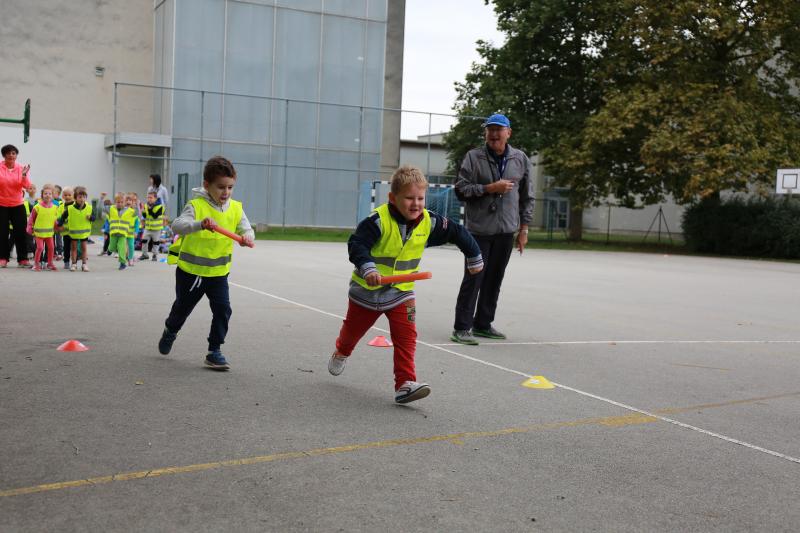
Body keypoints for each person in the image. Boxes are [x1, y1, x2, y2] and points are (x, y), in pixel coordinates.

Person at [327, 165, 483, 404]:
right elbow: (357, 245)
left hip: (401, 293)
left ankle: (405, 384)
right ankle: (342, 351)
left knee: (406, 338)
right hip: (366, 293)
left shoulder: (429, 222)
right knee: (351, 335)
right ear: (393, 198)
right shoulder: (377, 221)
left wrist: (474, 256)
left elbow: (458, 232)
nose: (416, 204)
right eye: (409, 198)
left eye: (420, 198)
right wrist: (368, 268)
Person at [158, 156, 254, 371]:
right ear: (206, 185)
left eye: (230, 187)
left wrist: (248, 237)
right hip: (192, 273)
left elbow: (247, 228)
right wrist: (199, 224)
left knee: (223, 310)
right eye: (221, 187)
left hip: (218, 273)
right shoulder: (196, 205)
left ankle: (214, 350)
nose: (226, 192)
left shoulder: (235, 208)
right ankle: (170, 330)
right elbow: (177, 226)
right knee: (182, 309)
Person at [450, 113, 535, 345]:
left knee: (495, 279)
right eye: (491, 130)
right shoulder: (473, 157)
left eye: (499, 130)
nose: (494, 134)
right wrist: (489, 188)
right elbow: (461, 190)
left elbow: (527, 197)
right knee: (474, 278)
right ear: (486, 133)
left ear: (509, 133)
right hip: (478, 231)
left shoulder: (520, 158)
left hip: (506, 231)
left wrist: (524, 230)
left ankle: (483, 324)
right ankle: (462, 327)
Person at [0, 144, 32, 268]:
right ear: (4, 155)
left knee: (21, 232)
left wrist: (23, 175)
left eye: (13, 153)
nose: (11, 155)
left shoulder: (21, 168)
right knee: (2, 232)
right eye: (8, 153)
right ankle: (3, 258)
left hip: (17, 204)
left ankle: (22, 259)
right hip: (1, 204)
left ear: (16, 155)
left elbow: (27, 186)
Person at [57, 186, 94, 271]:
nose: (82, 199)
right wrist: (59, 225)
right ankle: (74, 264)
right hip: (73, 233)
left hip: (84, 233)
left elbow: (94, 217)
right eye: (80, 197)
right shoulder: (70, 208)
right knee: (73, 249)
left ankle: (84, 264)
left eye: (84, 197)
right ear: (75, 198)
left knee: (84, 249)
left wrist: (91, 217)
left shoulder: (89, 208)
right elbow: (63, 217)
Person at [26, 183, 58, 271]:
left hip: (49, 233)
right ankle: (36, 264)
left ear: (52, 196)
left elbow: (54, 219)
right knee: (40, 248)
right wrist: (29, 228)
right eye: (45, 193)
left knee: (51, 248)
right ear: (42, 195)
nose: (47, 195)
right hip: (39, 233)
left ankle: (50, 264)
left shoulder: (55, 207)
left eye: (50, 194)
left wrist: (57, 226)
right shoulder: (37, 207)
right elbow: (31, 218)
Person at [107, 192, 136, 270]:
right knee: (112, 247)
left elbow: (138, 214)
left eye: (121, 202)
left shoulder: (129, 210)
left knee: (121, 248)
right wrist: (102, 199)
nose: (119, 204)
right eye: (118, 202)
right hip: (113, 233)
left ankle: (122, 263)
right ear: (115, 202)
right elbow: (102, 209)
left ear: (125, 202)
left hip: (123, 234)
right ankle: (109, 250)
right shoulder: (111, 208)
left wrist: (135, 205)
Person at [139, 191, 164, 261]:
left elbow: (155, 216)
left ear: (155, 198)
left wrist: (149, 209)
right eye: (148, 197)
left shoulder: (160, 206)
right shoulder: (146, 205)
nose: (149, 199)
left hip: (156, 228)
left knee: (156, 242)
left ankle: (155, 255)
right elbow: (145, 216)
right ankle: (144, 254)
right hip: (148, 227)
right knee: (144, 240)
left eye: (151, 198)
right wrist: (143, 211)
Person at [57, 187, 75, 270]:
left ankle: (74, 262)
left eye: (69, 195)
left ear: (73, 196)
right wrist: (59, 225)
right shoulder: (61, 206)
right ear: (63, 196)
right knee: (66, 247)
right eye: (65, 195)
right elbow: (58, 217)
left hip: (75, 231)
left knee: (74, 247)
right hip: (65, 231)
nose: (67, 197)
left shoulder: (75, 206)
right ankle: (66, 262)